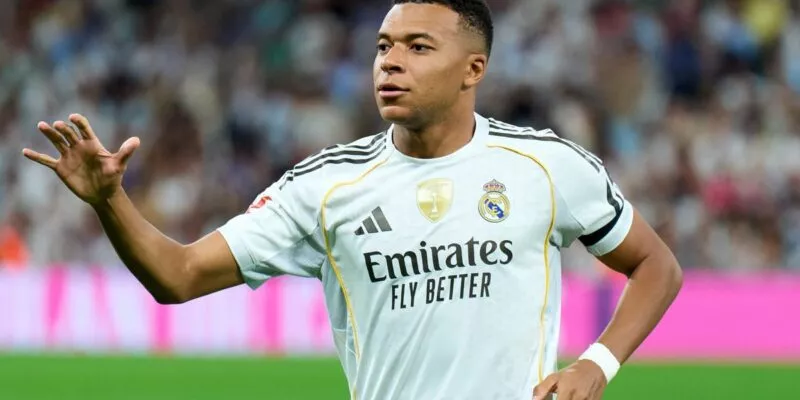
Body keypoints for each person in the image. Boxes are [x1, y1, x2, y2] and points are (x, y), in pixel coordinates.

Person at [21, 1, 683, 399]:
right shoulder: (326, 187)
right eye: (383, 47)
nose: (390, 62)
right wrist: (109, 201)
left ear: (473, 70)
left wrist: (598, 363)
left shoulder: (545, 165)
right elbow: (180, 275)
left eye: (418, 48)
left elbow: (657, 265)